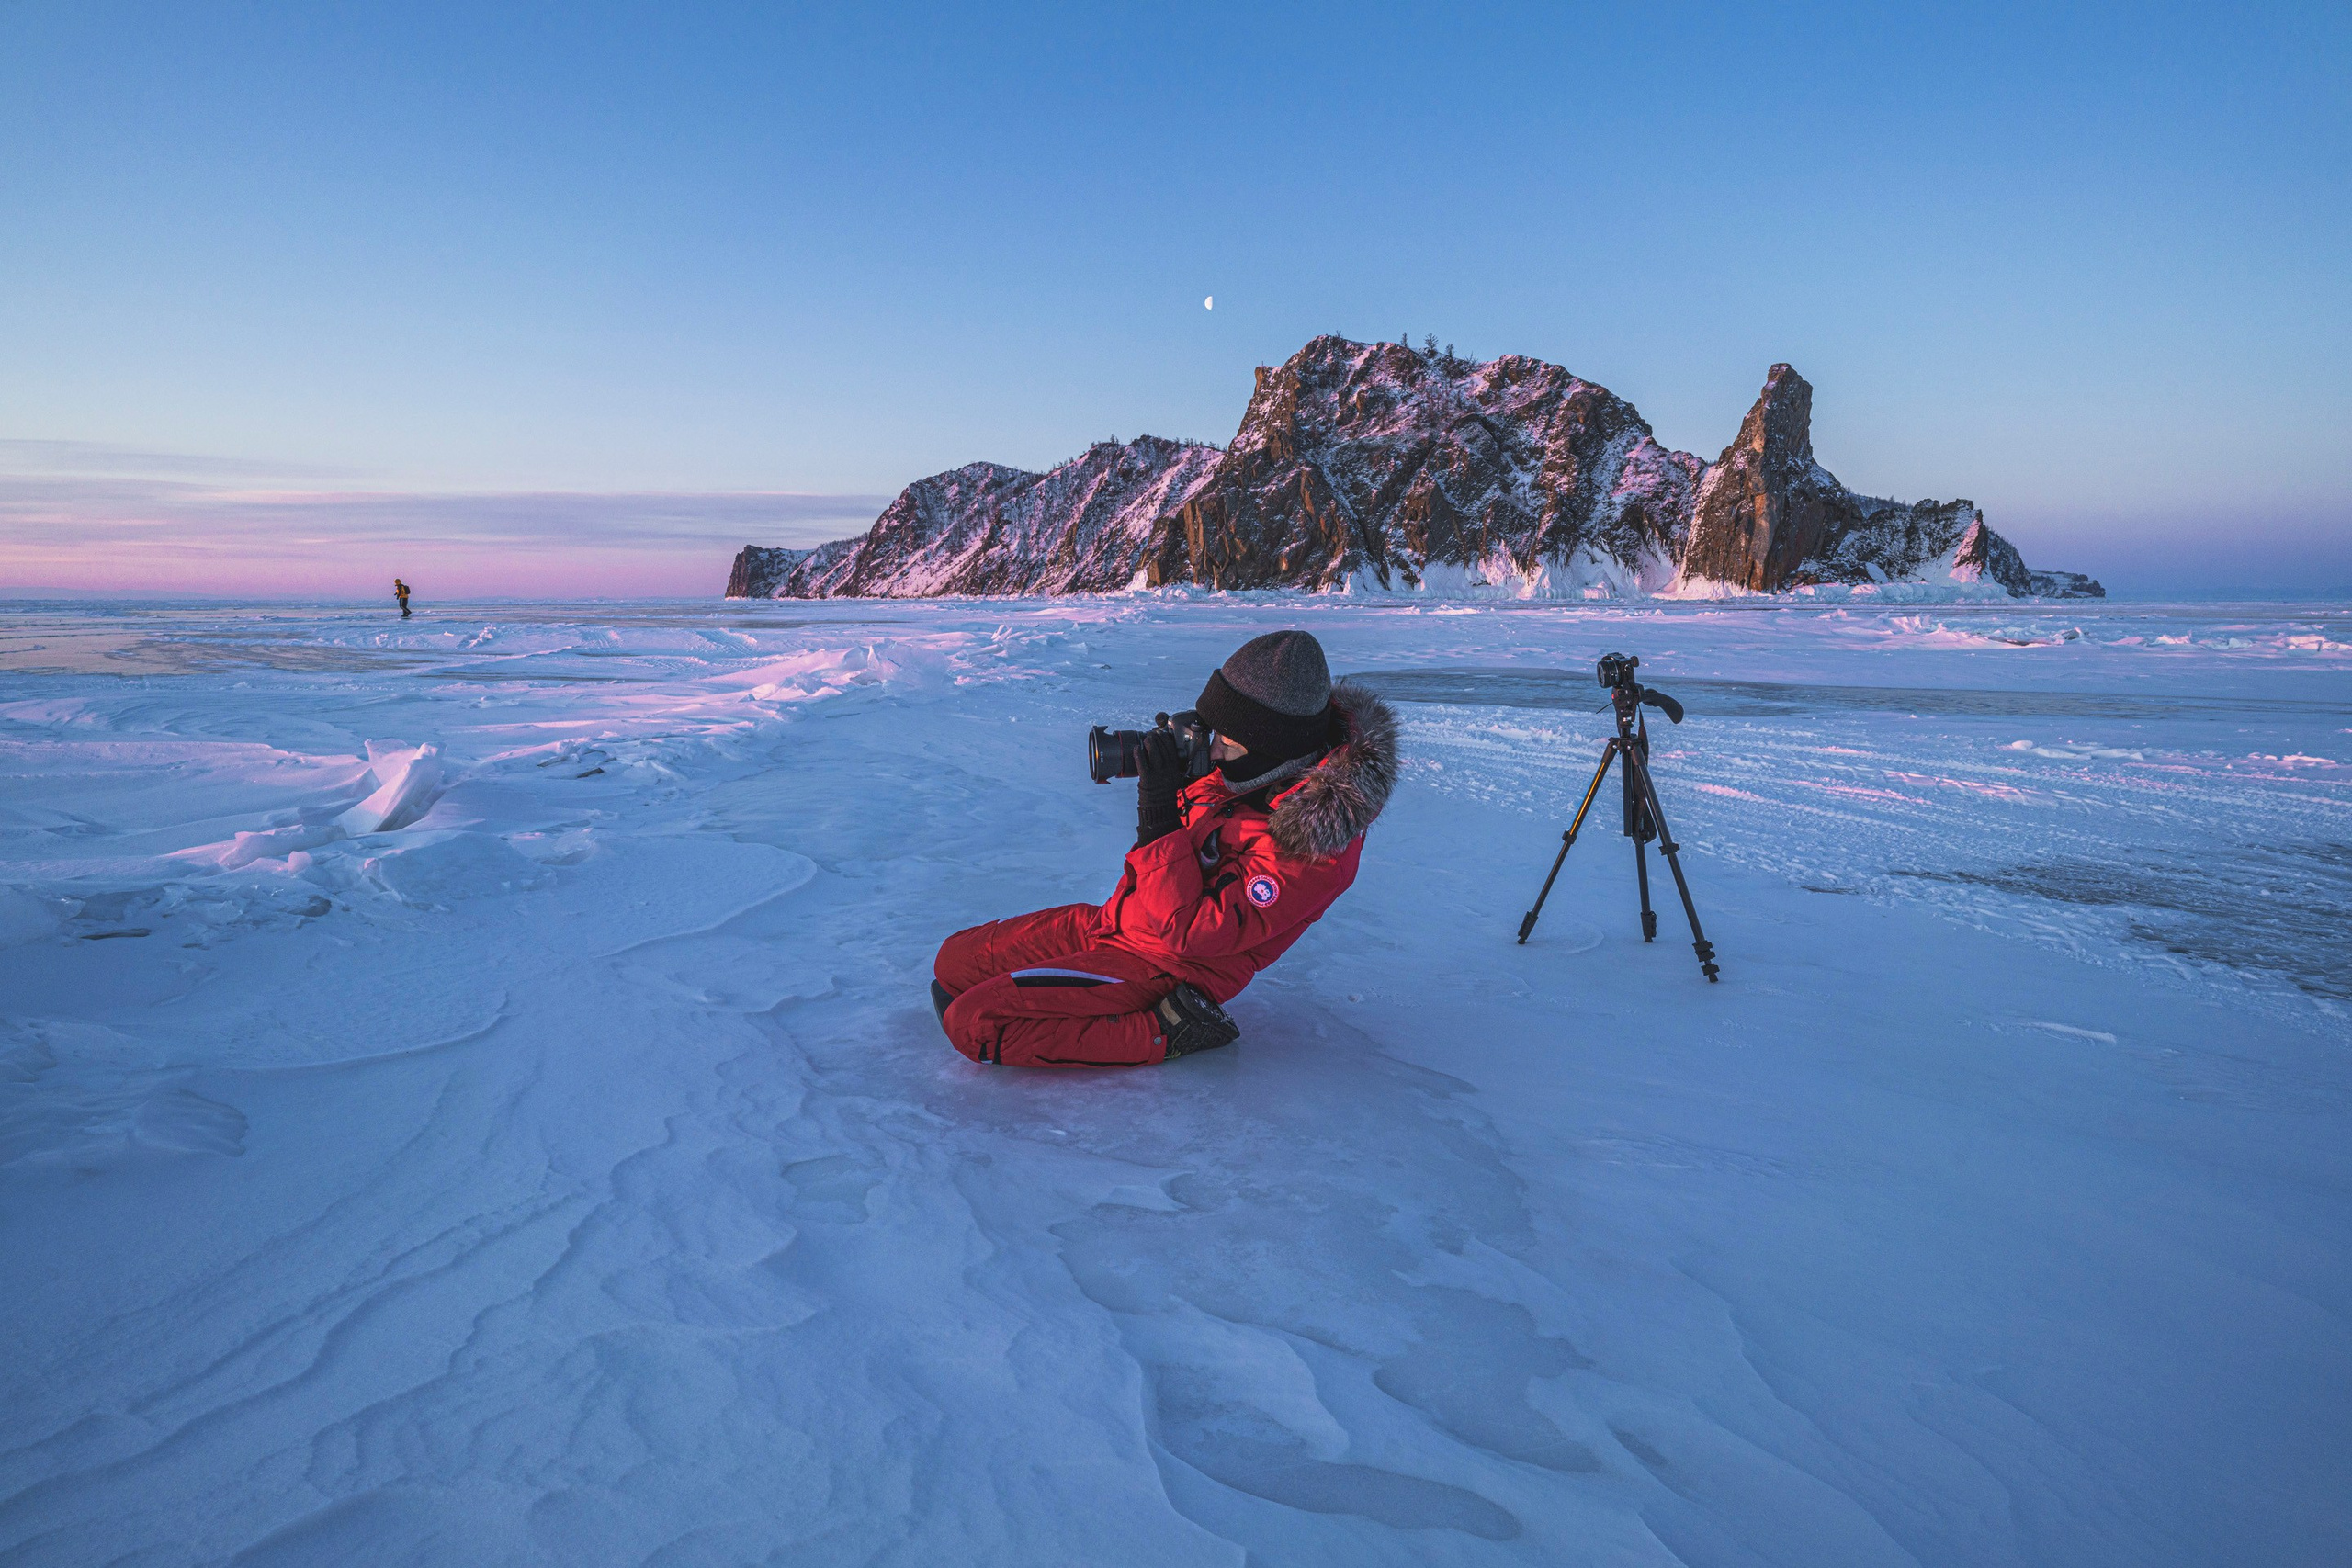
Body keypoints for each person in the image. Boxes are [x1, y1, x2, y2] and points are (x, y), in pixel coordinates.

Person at [932, 629, 1397, 1067]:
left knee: (974, 1024)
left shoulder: (1312, 848)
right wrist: (1176, 774)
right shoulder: (1248, 772)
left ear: (1272, 749)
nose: (1214, 754)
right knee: (952, 963)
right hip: (1114, 923)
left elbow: (1189, 934)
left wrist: (1158, 816)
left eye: (1227, 744)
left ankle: (1169, 1029)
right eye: (1213, 735)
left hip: (1168, 966)